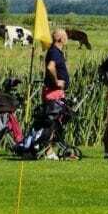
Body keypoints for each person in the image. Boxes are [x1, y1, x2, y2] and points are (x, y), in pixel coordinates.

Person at [42, 29, 70, 160]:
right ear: (60, 39)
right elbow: (50, 67)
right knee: (51, 122)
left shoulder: (56, 52)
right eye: (65, 36)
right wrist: (56, 81)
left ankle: (51, 148)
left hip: (55, 92)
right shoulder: (54, 52)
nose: (67, 38)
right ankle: (48, 151)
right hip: (53, 93)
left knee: (56, 122)